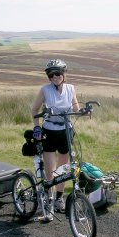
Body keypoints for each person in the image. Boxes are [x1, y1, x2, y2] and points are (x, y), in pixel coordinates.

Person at [31, 59, 80, 220]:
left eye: (58, 73)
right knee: (50, 170)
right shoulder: (45, 90)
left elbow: (75, 107)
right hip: (50, 132)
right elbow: (34, 109)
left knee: (64, 169)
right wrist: (37, 127)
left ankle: (59, 198)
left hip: (66, 131)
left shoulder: (71, 88)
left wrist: (84, 111)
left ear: (64, 74)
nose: (55, 77)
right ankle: (49, 199)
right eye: (51, 75)